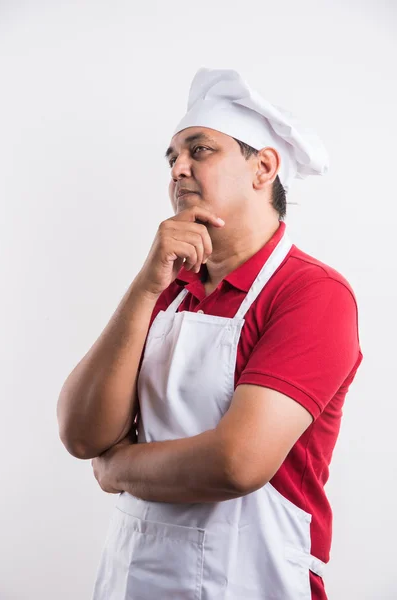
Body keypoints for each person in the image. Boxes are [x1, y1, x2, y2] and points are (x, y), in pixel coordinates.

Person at [57, 67, 364, 600]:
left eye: (200, 150)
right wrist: (147, 283)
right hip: (134, 577)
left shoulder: (312, 294)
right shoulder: (166, 290)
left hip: (252, 579)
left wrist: (118, 467)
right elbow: (82, 433)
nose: (178, 169)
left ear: (263, 167)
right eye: (172, 158)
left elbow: (236, 462)